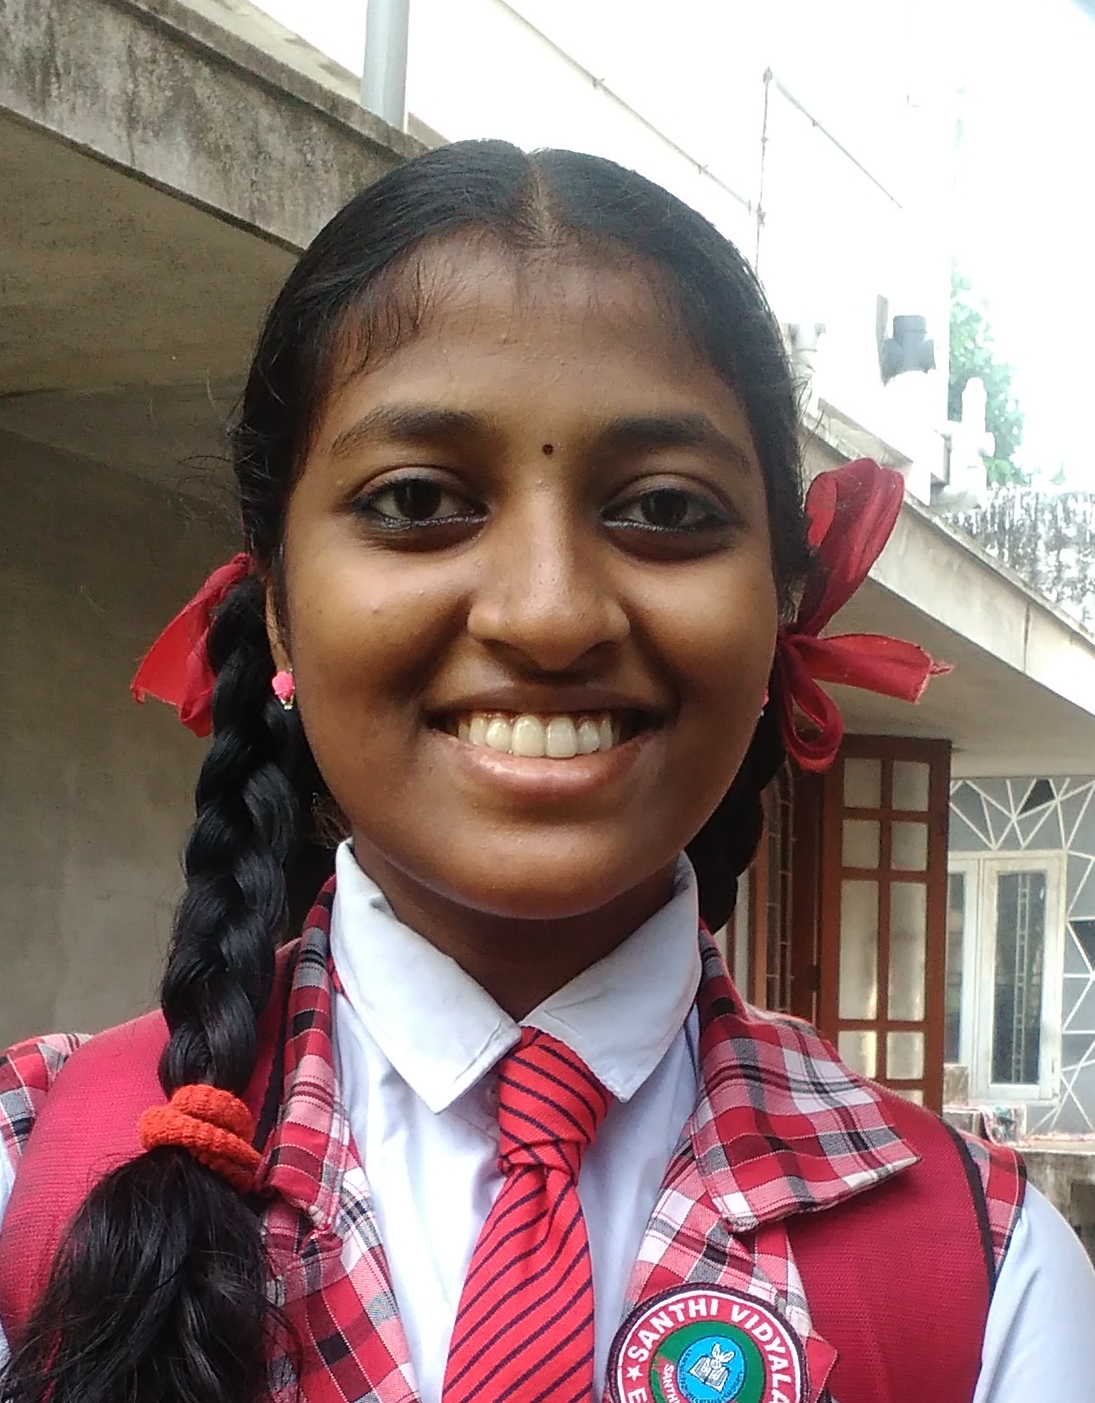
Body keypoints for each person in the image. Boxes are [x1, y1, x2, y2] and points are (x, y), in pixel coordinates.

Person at [0, 140, 1092, 1403]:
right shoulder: (31, 1179)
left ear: (783, 602)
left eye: (666, 509)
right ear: (280, 604)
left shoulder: (988, 1279)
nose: (550, 612)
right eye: (419, 500)